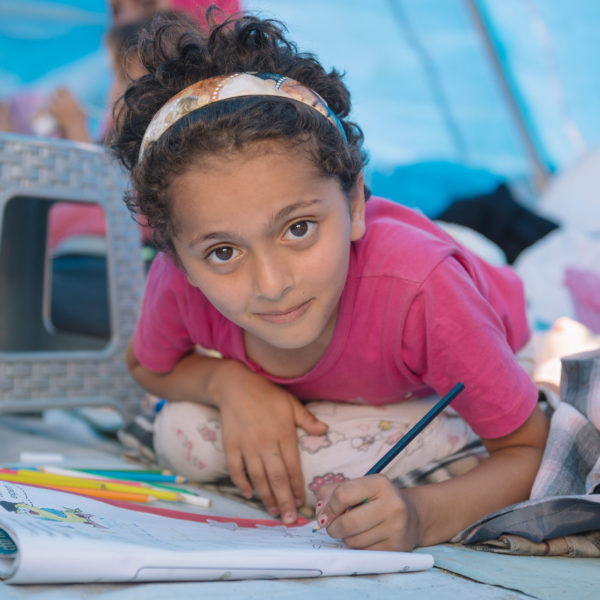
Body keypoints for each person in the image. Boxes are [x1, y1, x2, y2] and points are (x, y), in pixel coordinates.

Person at [110, 13, 549, 551]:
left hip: (475, 289)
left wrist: (418, 515)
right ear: (177, 256)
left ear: (357, 203)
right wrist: (229, 384)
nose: (271, 284)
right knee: (184, 436)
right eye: (223, 252)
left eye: (298, 228)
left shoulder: (424, 290)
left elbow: (529, 448)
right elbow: (146, 365)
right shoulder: (176, 278)